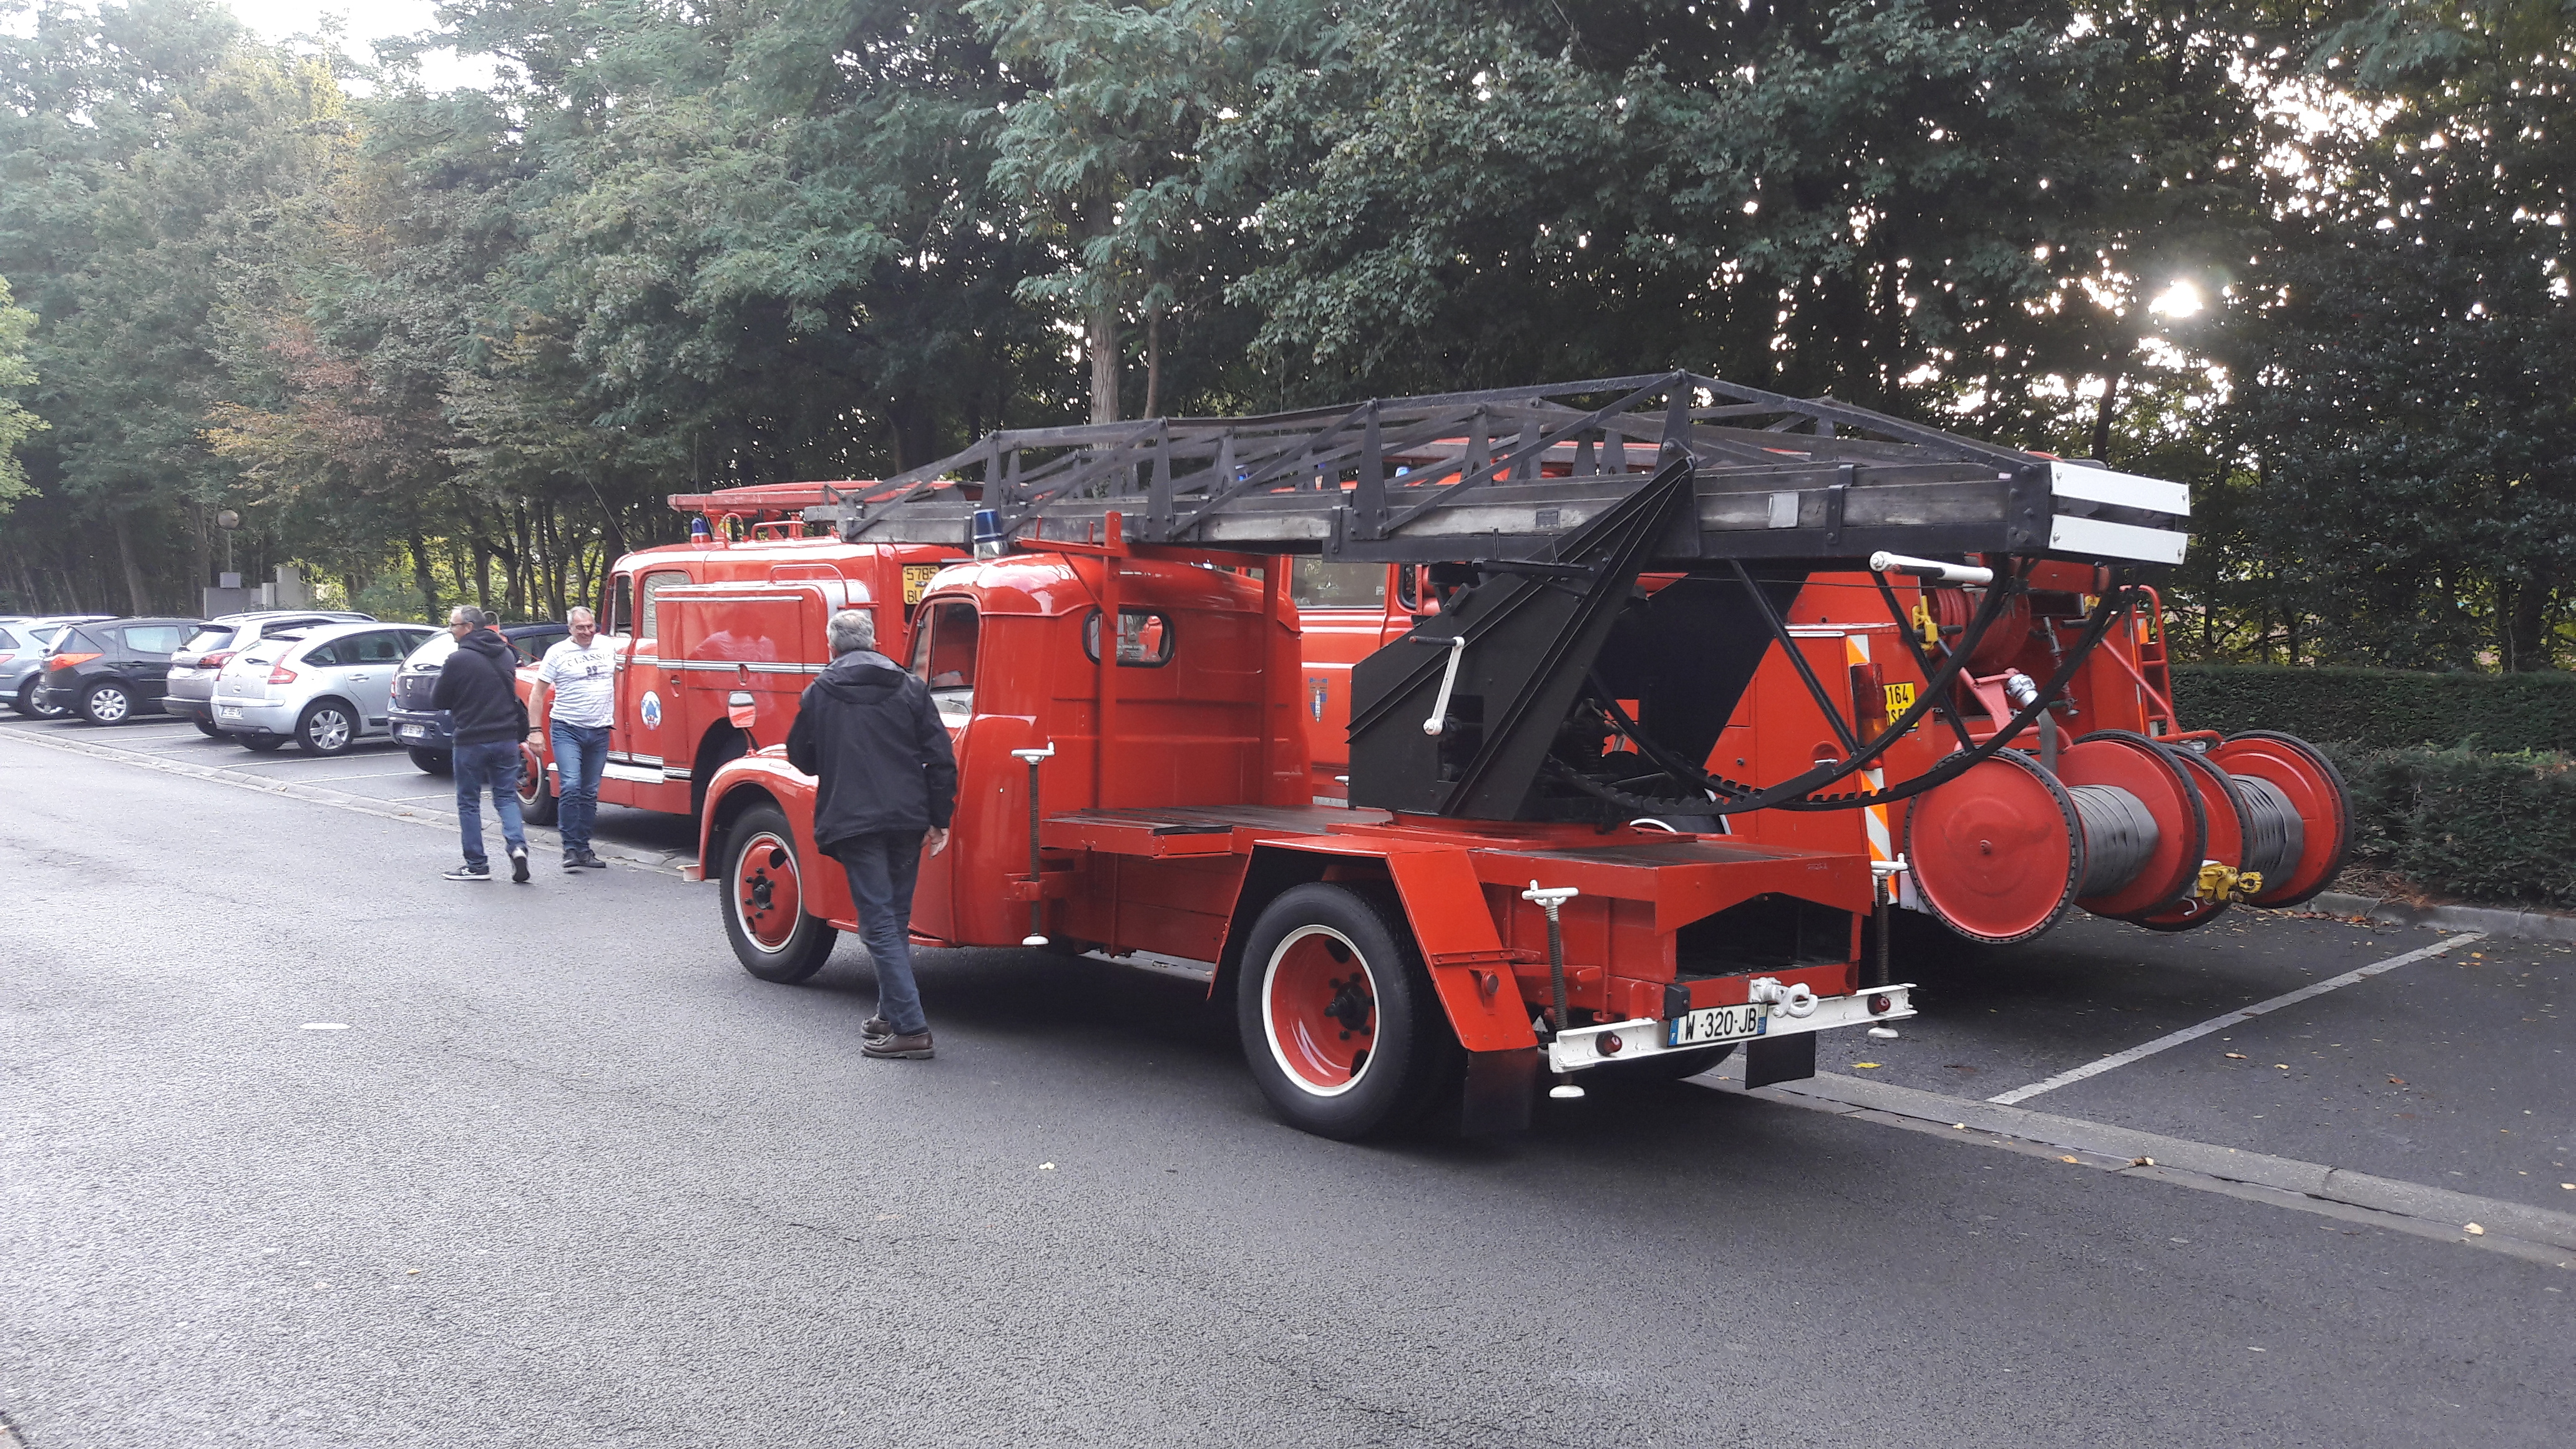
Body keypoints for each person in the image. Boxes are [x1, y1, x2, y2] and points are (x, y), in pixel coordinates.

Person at [786, 607, 957, 1060]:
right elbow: (941, 758)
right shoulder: (908, 686)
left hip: (854, 817)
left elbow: (800, 757)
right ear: (875, 642)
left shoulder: (820, 691)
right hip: (908, 817)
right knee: (894, 918)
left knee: (878, 922)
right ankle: (890, 1012)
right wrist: (940, 817)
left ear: (833, 648)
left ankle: (911, 1029)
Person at [432, 605, 532, 883]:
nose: (451, 630)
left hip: (470, 739)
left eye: (453, 625)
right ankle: (517, 847)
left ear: (468, 627)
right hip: (506, 738)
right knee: (505, 797)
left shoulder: (458, 659)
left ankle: (476, 864)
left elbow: (438, 700)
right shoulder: (506, 654)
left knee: (468, 802)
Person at [529, 606, 615, 871]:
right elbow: (537, 693)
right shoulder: (557, 652)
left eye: (590, 626)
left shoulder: (607, 646)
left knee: (589, 792)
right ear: (570, 629)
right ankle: (569, 848)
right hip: (567, 728)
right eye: (581, 628)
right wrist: (535, 731)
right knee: (570, 785)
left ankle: (584, 848)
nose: (587, 632)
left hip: (600, 730)